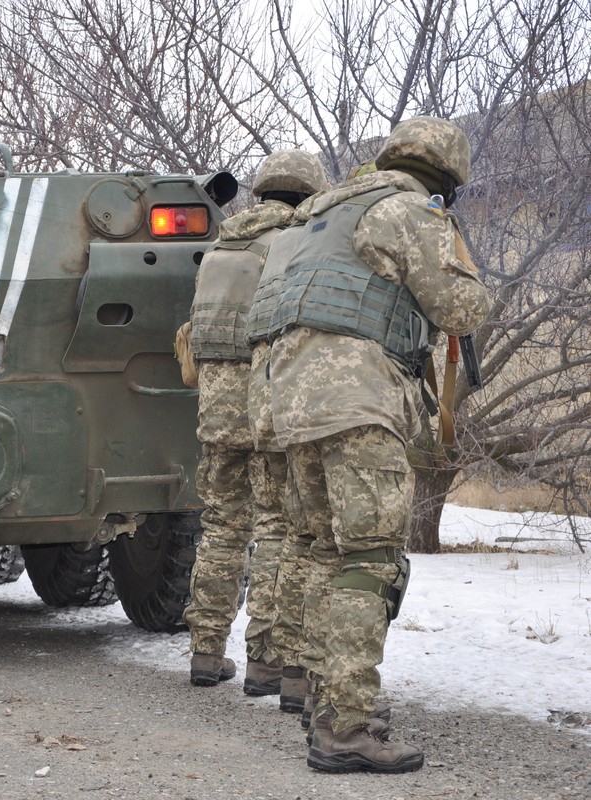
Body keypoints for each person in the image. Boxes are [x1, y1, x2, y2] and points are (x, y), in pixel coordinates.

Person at [268, 116, 489, 773]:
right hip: (358, 403)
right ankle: (348, 726)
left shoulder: (319, 212)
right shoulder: (409, 211)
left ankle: (322, 701)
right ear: (445, 178)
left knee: (327, 552)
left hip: (294, 406)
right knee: (370, 562)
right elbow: (461, 310)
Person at [182, 150, 327, 695]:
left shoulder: (221, 246)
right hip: (268, 401)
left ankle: (204, 651)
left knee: (220, 527)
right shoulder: (294, 242)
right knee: (277, 528)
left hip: (215, 408)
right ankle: (267, 662)